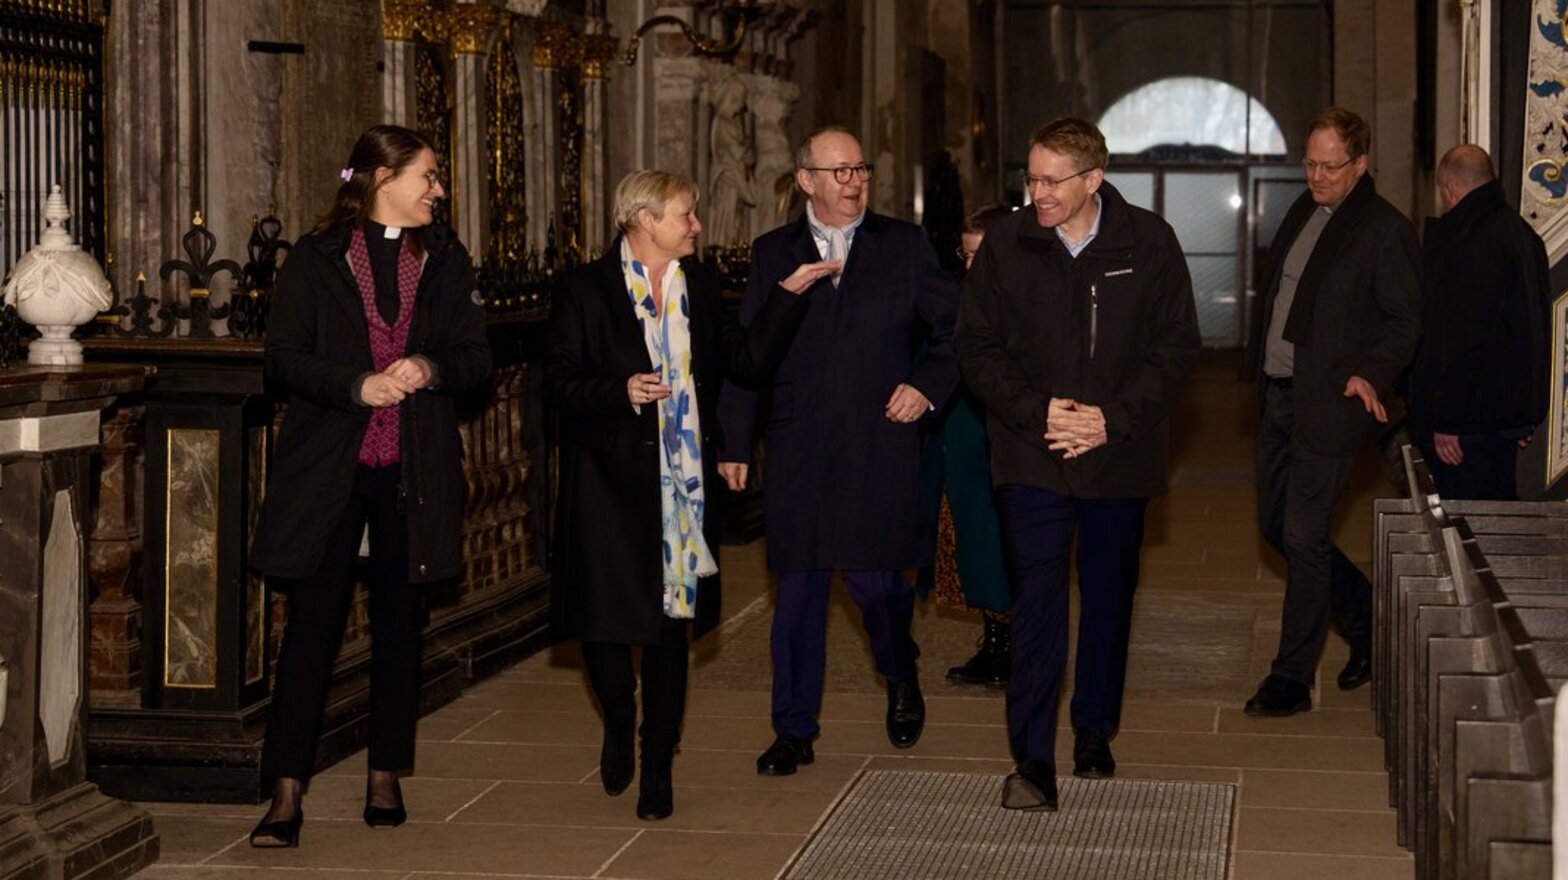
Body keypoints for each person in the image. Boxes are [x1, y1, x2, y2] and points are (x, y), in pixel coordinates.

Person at [545, 170, 826, 820]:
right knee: (605, 635)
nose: (697, 225)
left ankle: (657, 759)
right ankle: (619, 718)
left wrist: (786, 297)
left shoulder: (697, 285)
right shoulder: (583, 290)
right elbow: (557, 384)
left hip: (684, 491)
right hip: (609, 487)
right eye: (685, 215)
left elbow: (746, 360)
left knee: (669, 631)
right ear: (644, 220)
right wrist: (619, 392)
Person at [247, 124, 493, 847]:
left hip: (411, 471)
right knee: (311, 630)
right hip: (330, 470)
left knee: (398, 628)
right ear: (383, 181)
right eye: (428, 176)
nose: (438, 190)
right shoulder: (315, 260)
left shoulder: (446, 257)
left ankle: (385, 772)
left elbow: (474, 355)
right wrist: (356, 383)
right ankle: (285, 791)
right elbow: (283, 358)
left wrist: (428, 368)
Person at [956, 117, 1200, 811]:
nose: (1037, 193)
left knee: (1107, 595)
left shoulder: (1147, 242)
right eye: (1030, 178)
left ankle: (1094, 728)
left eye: (1051, 180)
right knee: (1036, 600)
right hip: (1032, 453)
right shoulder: (1007, 244)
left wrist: (1109, 420)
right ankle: (1031, 761)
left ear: (1094, 179)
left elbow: (1177, 347)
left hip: (1117, 457)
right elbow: (977, 348)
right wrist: (1040, 412)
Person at [717, 126, 961, 776]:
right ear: (805, 180)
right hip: (798, 446)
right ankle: (792, 730)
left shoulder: (903, 247)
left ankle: (898, 668)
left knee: (877, 587)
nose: (853, 181)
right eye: (839, 171)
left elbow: (957, 327)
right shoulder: (774, 252)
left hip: (879, 443)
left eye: (860, 170)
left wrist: (926, 385)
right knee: (797, 594)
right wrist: (736, 440)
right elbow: (749, 356)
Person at [1244, 106, 1421, 716]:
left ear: (1361, 164)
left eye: (1330, 166)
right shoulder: (1304, 210)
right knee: (1276, 527)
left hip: (1332, 404)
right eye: (1310, 164)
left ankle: (1292, 678)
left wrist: (1370, 372)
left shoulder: (1383, 229)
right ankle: (1369, 622)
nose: (1317, 176)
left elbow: (1405, 320)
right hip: (1278, 397)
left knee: (1304, 533)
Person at [1408, 144, 1550, 500]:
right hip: (1502, 421)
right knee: (1497, 525)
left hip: (1467, 429)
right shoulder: (1523, 235)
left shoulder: (1472, 243)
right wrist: (1522, 412)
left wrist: (1447, 421)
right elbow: (1534, 330)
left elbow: (1460, 341)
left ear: (1448, 188)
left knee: (1465, 534)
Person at [922, 203, 1015, 687]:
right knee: (971, 539)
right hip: (959, 431)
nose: (972, 266)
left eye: (983, 254)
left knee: (1004, 539)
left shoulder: (1025, 298)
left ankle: (1015, 644)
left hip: (1004, 434)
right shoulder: (955, 296)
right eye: (967, 254)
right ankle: (996, 641)